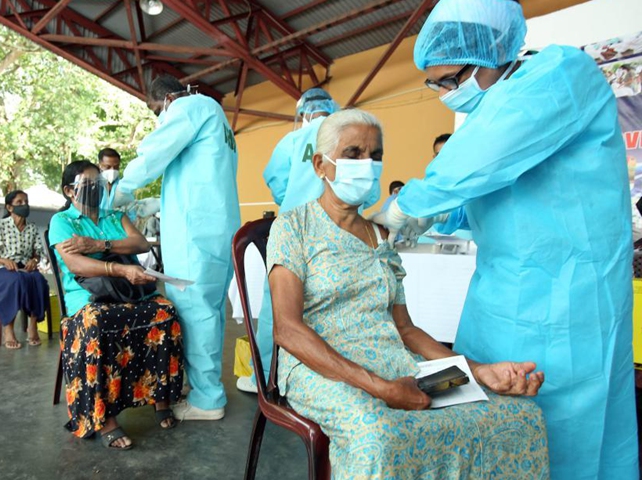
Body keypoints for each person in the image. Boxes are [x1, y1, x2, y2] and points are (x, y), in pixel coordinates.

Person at [374, 0, 638, 477]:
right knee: (477, 401)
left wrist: (406, 206)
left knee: (560, 424)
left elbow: (482, 159)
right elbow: (495, 195)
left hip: (571, 302)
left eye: (452, 80)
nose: (447, 94)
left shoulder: (560, 75)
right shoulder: (491, 112)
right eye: (436, 85)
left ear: (493, 51)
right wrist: (441, 215)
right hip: (498, 296)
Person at [269, 108, 548, 479]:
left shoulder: (380, 236)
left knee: (515, 414)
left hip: (394, 361)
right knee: (378, 435)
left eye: (376, 155)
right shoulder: (294, 227)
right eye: (354, 153)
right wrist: (380, 388)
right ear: (322, 164)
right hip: (321, 367)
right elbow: (287, 329)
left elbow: (407, 330)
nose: (367, 164)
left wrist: (479, 372)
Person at [110, 74, 240, 420]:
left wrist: (123, 190)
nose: (159, 117)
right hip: (218, 226)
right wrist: (156, 202)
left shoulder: (189, 106)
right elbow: (199, 178)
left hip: (195, 232)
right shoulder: (218, 120)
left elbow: (156, 151)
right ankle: (204, 386)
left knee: (195, 311)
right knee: (209, 313)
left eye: (156, 111)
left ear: (167, 99)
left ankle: (207, 400)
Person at [49, 160, 183, 449]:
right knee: (98, 320)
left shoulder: (115, 217)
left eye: (99, 184)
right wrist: (120, 269)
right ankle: (105, 417)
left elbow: (140, 244)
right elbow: (75, 263)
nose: (97, 189)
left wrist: (99, 245)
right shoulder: (63, 222)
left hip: (128, 291)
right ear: (70, 191)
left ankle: (160, 397)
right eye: (89, 185)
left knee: (164, 312)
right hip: (86, 298)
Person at [237, 88, 342, 394]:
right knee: (329, 303)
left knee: (278, 304)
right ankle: (327, 374)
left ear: (304, 114)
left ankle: (268, 376)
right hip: (336, 231)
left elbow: (274, 179)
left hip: (295, 228)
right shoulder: (344, 134)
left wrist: (292, 200)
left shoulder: (293, 141)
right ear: (332, 108)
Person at [0, 190, 49, 349]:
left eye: (26, 201)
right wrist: (4, 261)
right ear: (9, 207)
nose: (24, 205)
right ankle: (8, 328)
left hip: (23, 268)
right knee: (15, 281)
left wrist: (34, 260)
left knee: (39, 280)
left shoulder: (31, 228)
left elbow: (38, 253)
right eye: (19, 202)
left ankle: (32, 325)